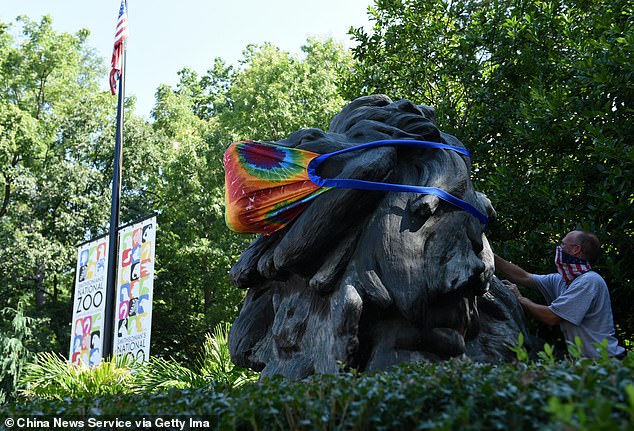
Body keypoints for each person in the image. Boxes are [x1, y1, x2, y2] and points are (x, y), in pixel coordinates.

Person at [494, 229, 625, 359]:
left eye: (563, 244)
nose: (559, 248)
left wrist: (520, 298)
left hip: (606, 361)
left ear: (576, 249)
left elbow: (552, 317)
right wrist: (491, 256)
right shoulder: (562, 280)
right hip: (585, 362)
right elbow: (524, 277)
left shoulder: (589, 282)